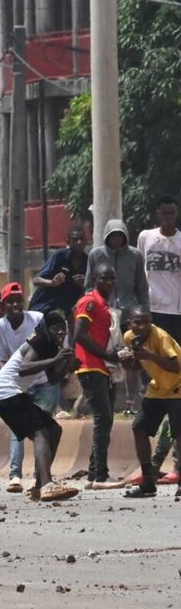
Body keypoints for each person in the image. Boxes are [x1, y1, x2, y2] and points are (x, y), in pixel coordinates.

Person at [0, 310, 81, 502]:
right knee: (41, 432)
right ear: (47, 329)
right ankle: (47, 484)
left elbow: (53, 379)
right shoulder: (39, 341)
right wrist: (56, 360)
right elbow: (23, 369)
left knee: (54, 430)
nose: (61, 333)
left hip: (11, 393)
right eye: (56, 329)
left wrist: (66, 365)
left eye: (63, 329)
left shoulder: (51, 347)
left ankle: (39, 485)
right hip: (5, 392)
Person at [137, 196, 181, 475]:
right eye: (163, 212)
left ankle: (170, 461)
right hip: (152, 312)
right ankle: (152, 465)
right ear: (158, 213)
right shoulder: (145, 237)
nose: (167, 217)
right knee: (152, 375)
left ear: (176, 215)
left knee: (175, 374)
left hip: (176, 313)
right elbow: (138, 272)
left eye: (172, 213)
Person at [120, 306, 181, 498]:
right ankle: (148, 480)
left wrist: (150, 355)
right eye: (137, 322)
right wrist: (129, 362)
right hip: (157, 389)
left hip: (177, 387)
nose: (142, 326)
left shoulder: (160, 337)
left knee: (179, 434)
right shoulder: (129, 337)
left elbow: (175, 366)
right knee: (139, 428)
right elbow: (138, 365)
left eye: (146, 321)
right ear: (129, 323)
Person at [74, 264, 124, 489]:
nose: (109, 282)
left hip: (103, 368)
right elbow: (79, 335)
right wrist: (105, 354)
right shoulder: (90, 301)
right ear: (95, 279)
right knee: (102, 419)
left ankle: (94, 474)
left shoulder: (105, 305)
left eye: (112, 278)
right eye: (105, 278)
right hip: (90, 366)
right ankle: (101, 476)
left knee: (106, 420)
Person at [29, 226, 89, 316]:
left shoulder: (87, 262)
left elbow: (90, 290)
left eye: (82, 239)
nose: (79, 242)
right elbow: (36, 280)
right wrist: (52, 283)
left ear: (86, 241)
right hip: (43, 307)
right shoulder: (60, 256)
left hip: (66, 312)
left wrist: (84, 284)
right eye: (75, 239)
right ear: (68, 242)